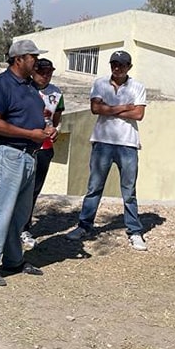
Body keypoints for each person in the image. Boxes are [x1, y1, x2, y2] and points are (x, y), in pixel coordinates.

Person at [0, 40, 56, 287]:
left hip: (29, 155)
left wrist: (47, 129)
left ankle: (13, 260)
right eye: (33, 57)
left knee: (19, 214)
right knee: (0, 211)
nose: (37, 61)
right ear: (18, 59)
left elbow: (35, 116)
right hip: (9, 154)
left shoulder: (30, 85)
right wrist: (30, 134)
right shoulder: (2, 85)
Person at [65, 50, 149, 251]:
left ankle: (134, 231)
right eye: (114, 64)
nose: (117, 68)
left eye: (121, 64)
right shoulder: (100, 84)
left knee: (129, 191)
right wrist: (123, 107)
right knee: (94, 187)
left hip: (128, 144)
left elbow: (138, 114)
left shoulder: (138, 87)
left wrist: (109, 107)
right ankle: (84, 226)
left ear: (129, 66)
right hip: (102, 142)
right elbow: (96, 109)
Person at [20, 58, 65, 250]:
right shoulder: (23, 88)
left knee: (34, 189)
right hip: (23, 144)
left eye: (49, 72)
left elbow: (56, 119)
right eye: (41, 71)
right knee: (19, 187)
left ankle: (24, 227)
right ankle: (9, 225)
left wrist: (56, 130)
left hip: (44, 146)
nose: (45, 75)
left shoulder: (56, 92)